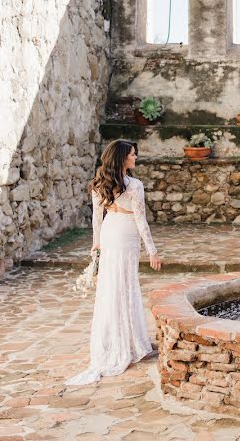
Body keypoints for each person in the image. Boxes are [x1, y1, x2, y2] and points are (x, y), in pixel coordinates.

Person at [66, 139, 163, 385]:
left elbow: (97, 219)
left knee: (111, 288)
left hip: (110, 234)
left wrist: (96, 244)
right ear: (122, 158)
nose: (135, 157)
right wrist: (152, 251)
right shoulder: (135, 185)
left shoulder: (100, 184)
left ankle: (119, 341)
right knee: (126, 286)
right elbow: (141, 221)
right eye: (132, 154)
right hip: (126, 235)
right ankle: (130, 343)